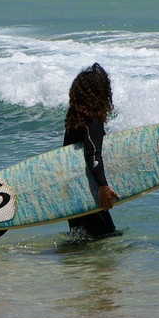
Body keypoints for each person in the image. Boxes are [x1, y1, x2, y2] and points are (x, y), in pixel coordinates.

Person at [63, 63, 121, 238]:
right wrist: (103, 185)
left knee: (79, 243)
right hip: (86, 195)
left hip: (72, 194)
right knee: (107, 237)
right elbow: (93, 153)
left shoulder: (74, 120)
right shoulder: (92, 122)